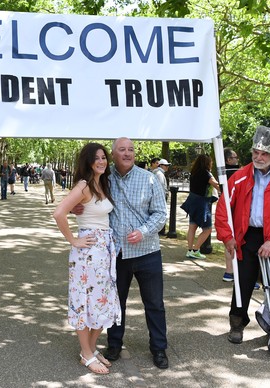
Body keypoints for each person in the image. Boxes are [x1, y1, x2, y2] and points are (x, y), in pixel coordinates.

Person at [75, 138, 168, 369]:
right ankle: (114, 344)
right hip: (115, 253)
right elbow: (86, 200)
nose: (127, 154)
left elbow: (160, 213)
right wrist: (78, 207)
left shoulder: (150, 178)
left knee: (154, 303)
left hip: (147, 252)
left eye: (131, 150)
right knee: (116, 302)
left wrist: (143, 231)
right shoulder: (103, 179)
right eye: (121, 150)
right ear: (113, 155)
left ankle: (159, 348)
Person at [215, 126, 270, 345]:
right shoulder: (239, 177)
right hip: (247, 236)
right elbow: (223, 209)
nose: (258, 157)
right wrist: (227, 237)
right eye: (255, 152)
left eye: (264, 154)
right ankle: (237, 322)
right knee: (242, 283)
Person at [53, 143, 121, 375]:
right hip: (88, 254)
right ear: (88, 161)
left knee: (103, 301)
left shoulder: (102, 183)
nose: (102, 161)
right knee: (85, 301)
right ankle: (86, 353)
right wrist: (73, 240)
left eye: (104, 157)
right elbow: (59, 212)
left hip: (104, 252)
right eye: (97, 158)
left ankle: (90, 350)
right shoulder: (83, 185)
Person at [180, 154, 220, 260]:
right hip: (201, 203)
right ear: (208, 163)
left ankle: (189, 250)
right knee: (207, 229)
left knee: (192, 227)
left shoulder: (194, 172)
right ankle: (196, 250)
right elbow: (217, 185)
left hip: (192, 200)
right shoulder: (207, 174)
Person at [221, 148, 240, 282]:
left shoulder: (222, 172)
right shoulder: (236, 173)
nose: (237, 160)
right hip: (236, 211)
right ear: (228, 160)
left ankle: (229, 271)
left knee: (228, 240)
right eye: (235, 157)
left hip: (228, 210)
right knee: (237, 241)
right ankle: (238, 273)